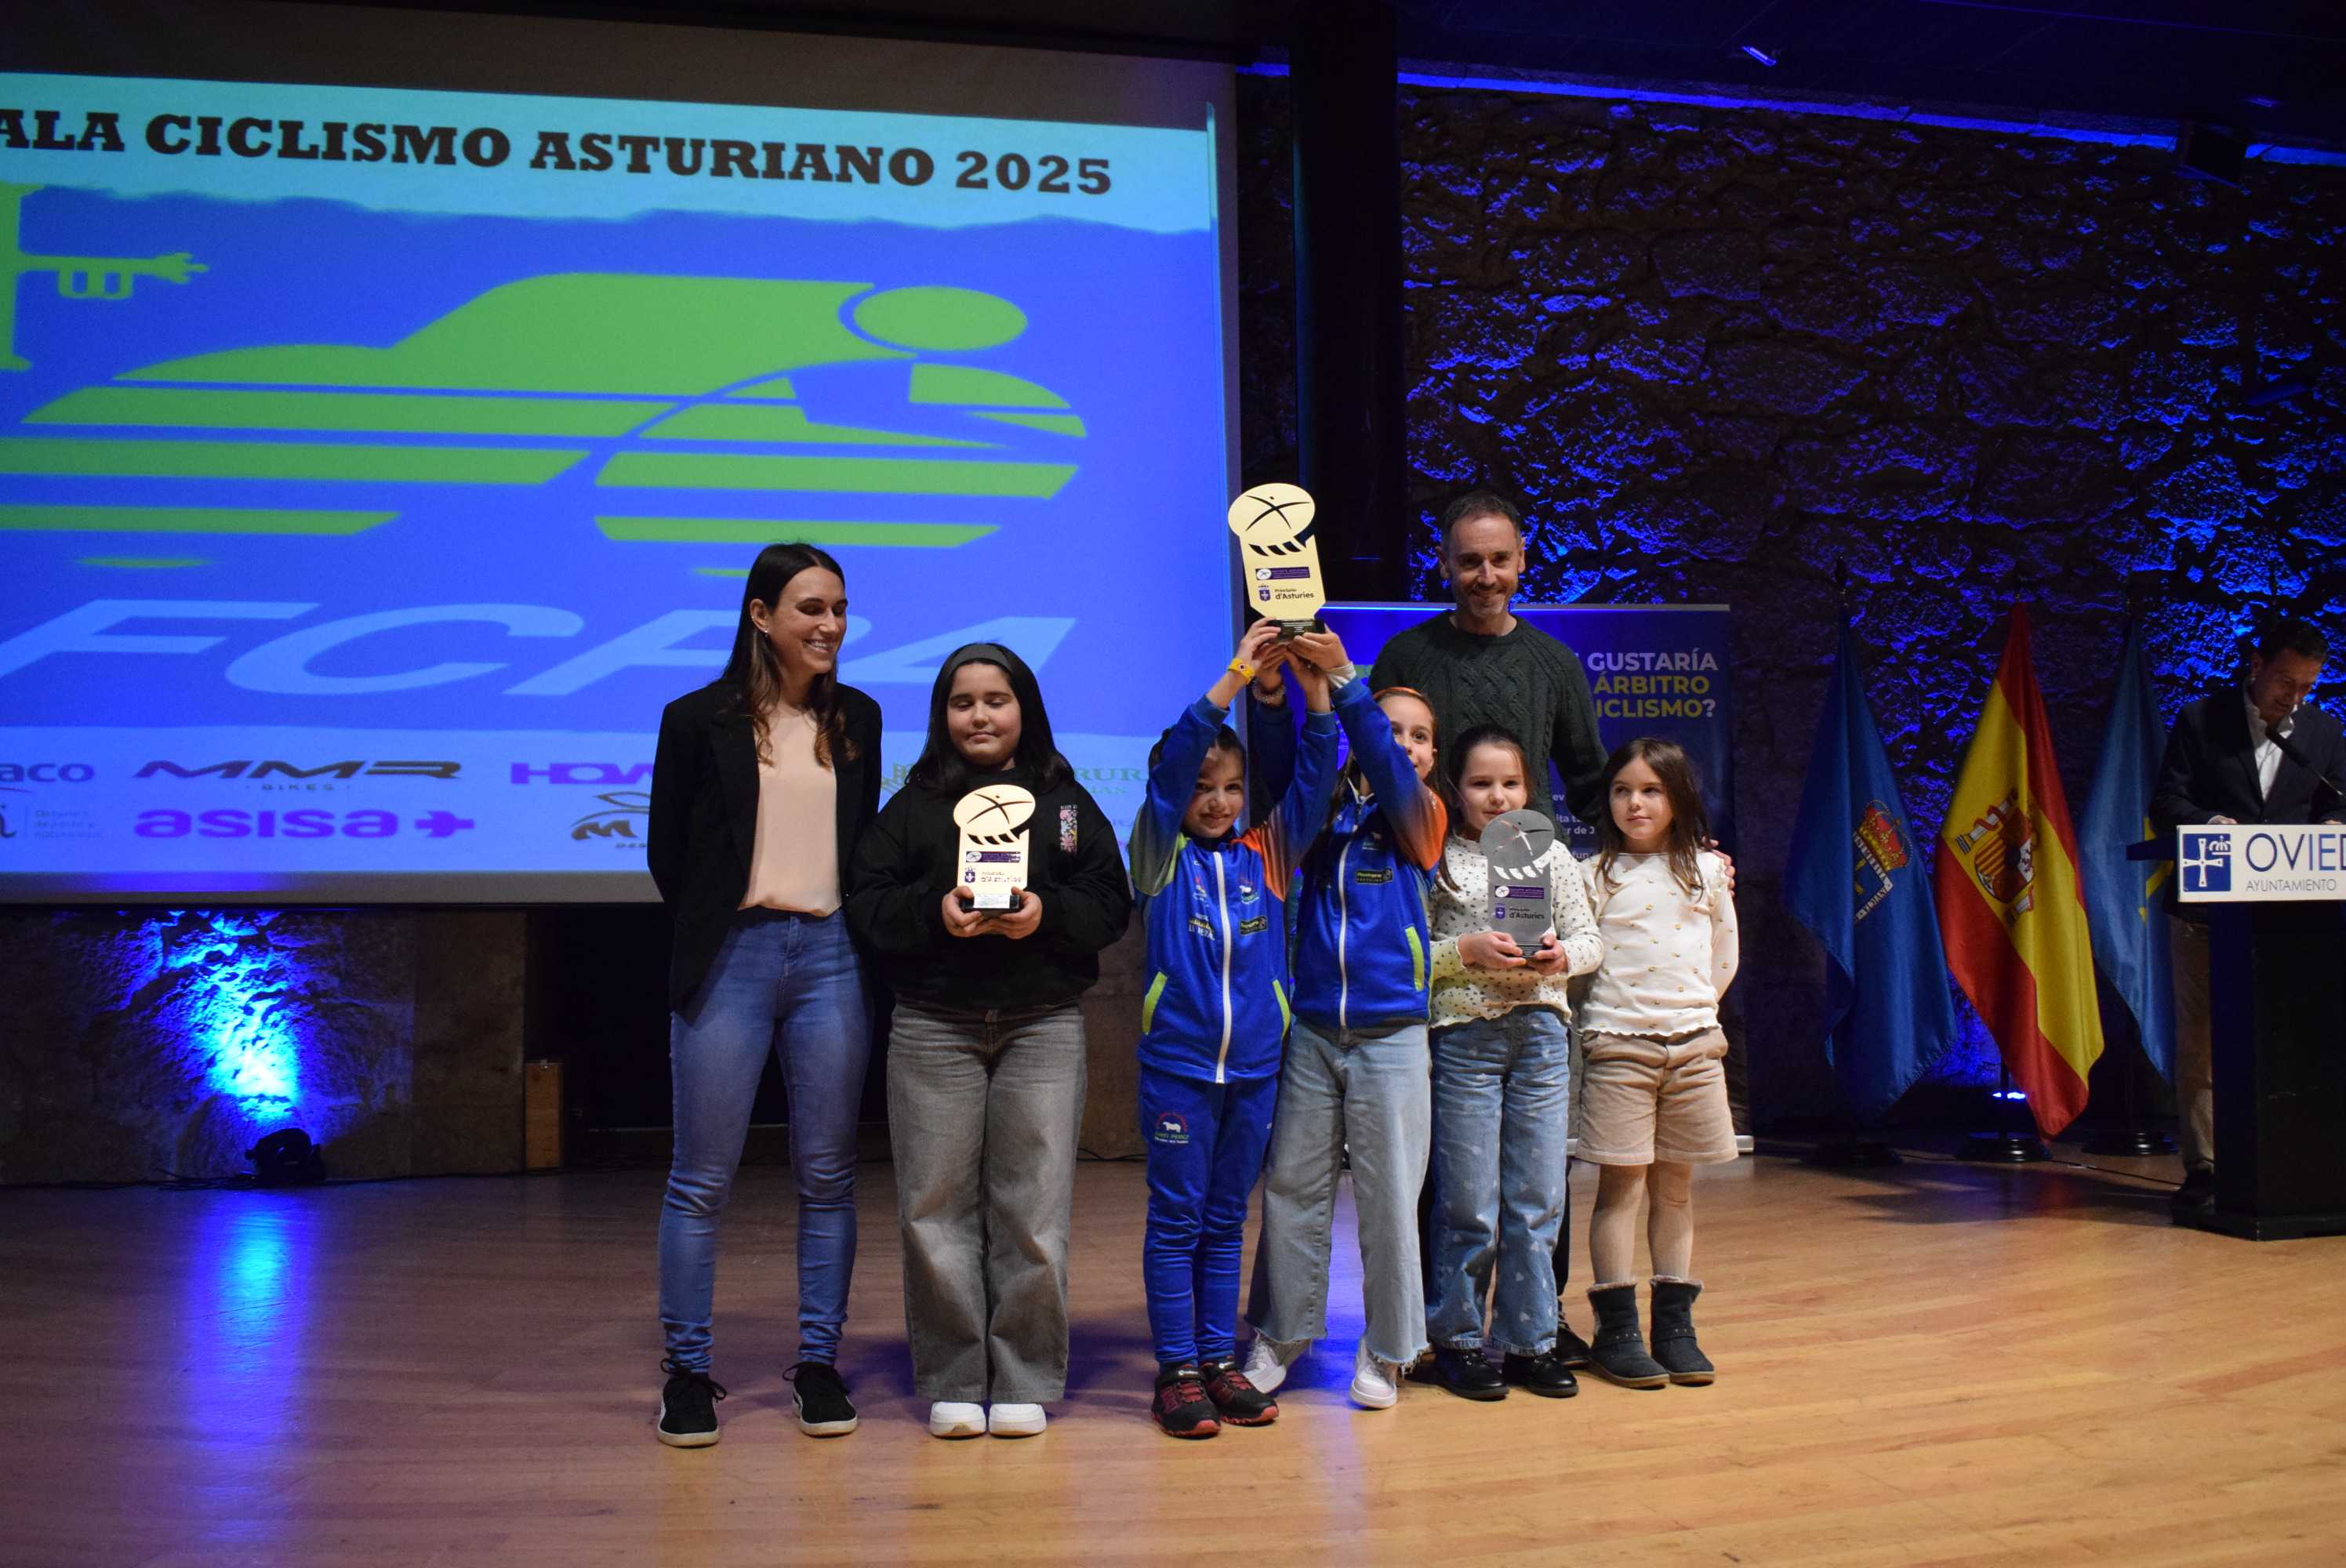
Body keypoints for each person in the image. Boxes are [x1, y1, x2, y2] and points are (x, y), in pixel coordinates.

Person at [844, 642, 1133, 1439]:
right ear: (941, 715)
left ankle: (1024, 1378)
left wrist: (1045, 912)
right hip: (934, 1026)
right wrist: (934, 912)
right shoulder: (912, 806)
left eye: (995, 699)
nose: (979, 714)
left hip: (1040, 1022)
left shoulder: (1067, 804)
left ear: (1024, 709)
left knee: (1033, 1212)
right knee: (932, 1209)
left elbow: (1109, 899)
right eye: (962, 701)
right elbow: (867, 901)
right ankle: (952, 1377)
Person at [645, 542, 884, 1447]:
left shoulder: (857, 716)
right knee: (700, 1180)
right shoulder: (695, 717)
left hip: (831, 956)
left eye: (838, 608)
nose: (828, 624)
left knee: (827, 1176)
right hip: (732, 955)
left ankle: (818, 1363)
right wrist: (732, 924)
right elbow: (672, 854)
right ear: (759, 615)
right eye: (809, 607)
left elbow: (858, 842)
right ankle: (688, 1373)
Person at [1127, 620, 1341, 1439]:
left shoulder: (1268, 854)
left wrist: (1317, 693)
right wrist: (1234, 675)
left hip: (1253, 1069)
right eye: (1200, 787)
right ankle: (1175, 1367)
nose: (1215, 801)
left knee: (1225, 1219)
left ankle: (1217, 1361)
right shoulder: (1156, 854)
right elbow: (1176, 761)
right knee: (1176, 1218)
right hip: (1179, 1070)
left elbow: (1316, 781)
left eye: (1229, 787)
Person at [1243, 634, 1449, 1411]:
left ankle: (1388, 1346)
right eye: (1391, 726)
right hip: (1313, 1031)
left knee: (1392, 1196)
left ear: (1432, 755)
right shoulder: (1324, 810)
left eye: (1419, 734)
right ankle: (1282, 1332)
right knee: (1293, 1188)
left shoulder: (1420, 814)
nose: (1402, 743)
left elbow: (1390, 776)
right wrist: (1315, 701)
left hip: (1392, 1033)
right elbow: (1284, 806)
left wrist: (1347, 682)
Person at [1422, 726, 1603, 1403]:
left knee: (1536, 1200)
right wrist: (1464, 949)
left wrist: (1564, 956)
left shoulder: (1551, 854)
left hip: (1542, 1038)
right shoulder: (1438, 856)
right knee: (1468, 1200)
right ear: (1456, 789)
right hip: (1465, 1037)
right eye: (1480, 783)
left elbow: (1590, 939)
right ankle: (1459, 1342)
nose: (1497, 796)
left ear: (1529, 789)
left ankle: (1530, 1343)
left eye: (1510, 783)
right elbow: (1415, 951)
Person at [2149, 617, 2343, 1220]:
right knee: (2203, 1042)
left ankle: (2289, 1156)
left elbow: (2337, 800)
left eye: (2306, 686)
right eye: (2285, 681)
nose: (2294, 697)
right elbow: (2167, 802)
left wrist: (2337, 830)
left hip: (2290, 924)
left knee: (2288, 1040)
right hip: (2207, 914)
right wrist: (2210, 825)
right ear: (2255, 665)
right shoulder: (2201, 721)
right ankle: (2205, 1167)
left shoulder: (2323, 733)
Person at [1575, 738, 1739, 1391]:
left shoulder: (1705, 870)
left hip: (1694, 1045)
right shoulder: (1594, 875)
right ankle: (1617, 1328)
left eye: (1651, 790)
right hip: (1619, 1046)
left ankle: (1674, 1326)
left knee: (1676, 1187)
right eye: (1623, 790)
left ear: (1677, 798)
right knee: (1621, 1187)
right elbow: (1583, 963)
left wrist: (1691, 1013)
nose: (1636, 803)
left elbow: (1723, 954)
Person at [1367, 490, 1607, 828]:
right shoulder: (1404, 656)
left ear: (1521, 558)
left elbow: (1592, 784)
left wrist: (1675, 843)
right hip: (1430, 866)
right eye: (1470, 561)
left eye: (1500, 559)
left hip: (1530, 864)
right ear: (1444, 562)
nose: (1488, 577)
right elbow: (1371, 769)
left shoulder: (1556, 662)